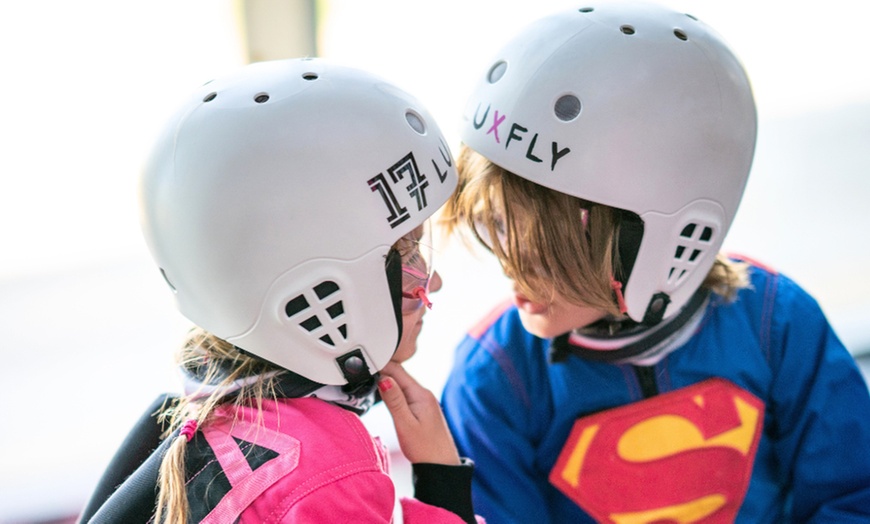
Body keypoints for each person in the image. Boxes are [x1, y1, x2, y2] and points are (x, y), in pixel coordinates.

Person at [438, 2, 870, 523]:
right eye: (498, 224)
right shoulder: (495, 377)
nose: (509, 262)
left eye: (544, 242)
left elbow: (852, 497)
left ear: (656, 237)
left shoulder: (775, 323)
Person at [78, 58, 482, 523]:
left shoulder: (194, 415)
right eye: (406, 254)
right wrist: (442, 481)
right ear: (318, 287)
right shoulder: (325, 476)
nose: (430, 281)